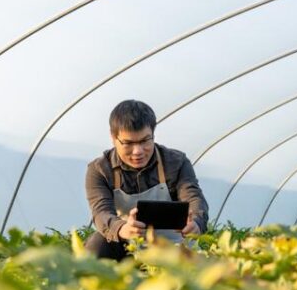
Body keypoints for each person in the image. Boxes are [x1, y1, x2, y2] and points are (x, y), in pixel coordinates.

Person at [84, 99, 209, 260]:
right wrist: (122, 228)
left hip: (173, 247)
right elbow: (101, 212)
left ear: (153, 134)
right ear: (113, 137)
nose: (138, 151)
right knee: (97, 244)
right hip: (128, 246)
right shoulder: (100, 169)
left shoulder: (176, 162)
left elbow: (193, 197)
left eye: (145, 141)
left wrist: (196, 223)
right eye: (128, 143)